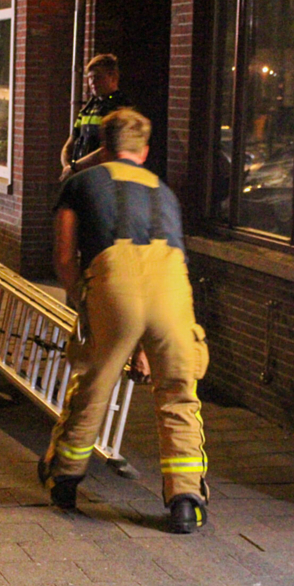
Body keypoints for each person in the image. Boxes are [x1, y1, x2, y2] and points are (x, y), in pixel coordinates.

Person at [39, 108, 210, 534]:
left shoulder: (79, 183)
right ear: (145, 150)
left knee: (95, 386)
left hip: (114, 282)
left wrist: (83, 301)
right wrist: (146, 346)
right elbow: (165, 267)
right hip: (173, 289)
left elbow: (63, 256)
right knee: (178, 394)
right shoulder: (164, 191)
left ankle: (65, 479)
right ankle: (186, 501)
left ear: (103, 147)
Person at [60, 54, 132, 181]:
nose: (92, 82)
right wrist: (67, 166)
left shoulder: (121, 108)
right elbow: (70, 143)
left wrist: (74, 168)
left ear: (113, 77)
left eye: (97, 77)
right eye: (90, 78)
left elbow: (109, 149)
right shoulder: (88, 108)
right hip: (81, 177)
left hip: (104, 180)